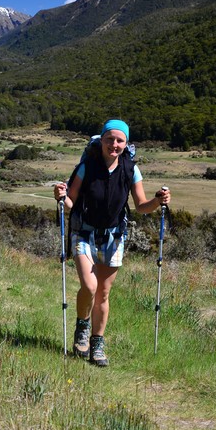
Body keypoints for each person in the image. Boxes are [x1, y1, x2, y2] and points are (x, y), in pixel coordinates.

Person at [54, 119, 171, 367]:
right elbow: (71, 202)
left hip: (113, 236)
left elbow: (141, 207)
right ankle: (82, 328)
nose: (114, 145)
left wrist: (158, 201)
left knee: (103, 293)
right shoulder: (87, 167)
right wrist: (61, 197)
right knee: (90, 286)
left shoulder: (130, 170)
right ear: (102, 140)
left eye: (120, 141)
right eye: (110, 139)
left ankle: (97, 343)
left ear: (126, 144)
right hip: (83, 232)